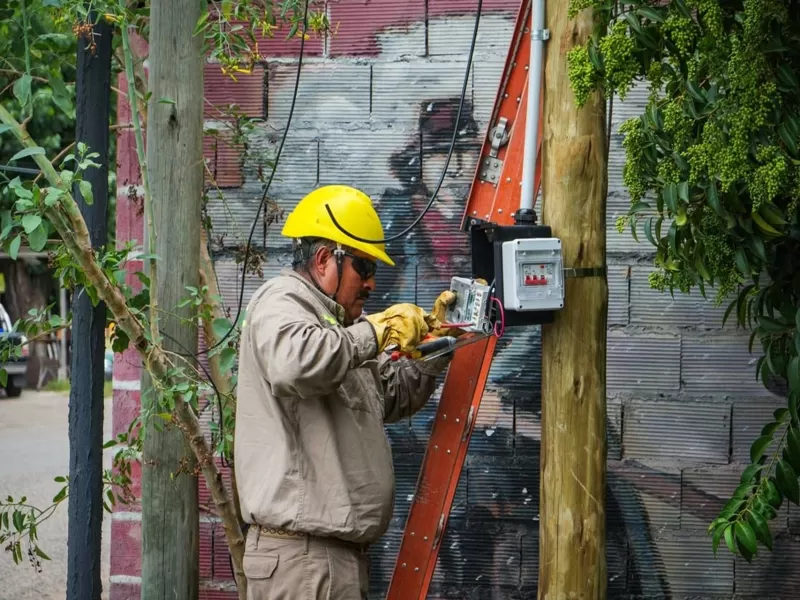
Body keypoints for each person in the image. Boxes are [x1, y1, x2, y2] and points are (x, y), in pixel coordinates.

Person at [234, 184, 462, 599]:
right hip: (303, 560)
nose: (372, 284)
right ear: (324, 259)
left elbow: (389, 397)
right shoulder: (282, 303)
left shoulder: (335, 326)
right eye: (364, 267)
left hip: (326, 560)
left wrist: (441, 344)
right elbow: (295, 363)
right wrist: (377, 332)